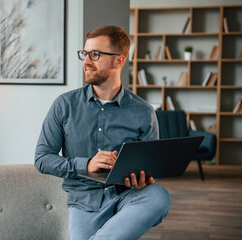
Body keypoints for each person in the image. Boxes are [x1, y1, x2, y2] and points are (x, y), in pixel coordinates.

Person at [34, 25, 171, 240]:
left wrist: (142, 179)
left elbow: (150, 167)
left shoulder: (143, 112)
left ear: (119, 61)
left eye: (95, 55)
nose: (86, 61)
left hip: (128, 196)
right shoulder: (64, 105)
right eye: (85, 53)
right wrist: (86, 165)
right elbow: (42, 159)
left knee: (159, 196)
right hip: (85, 201)